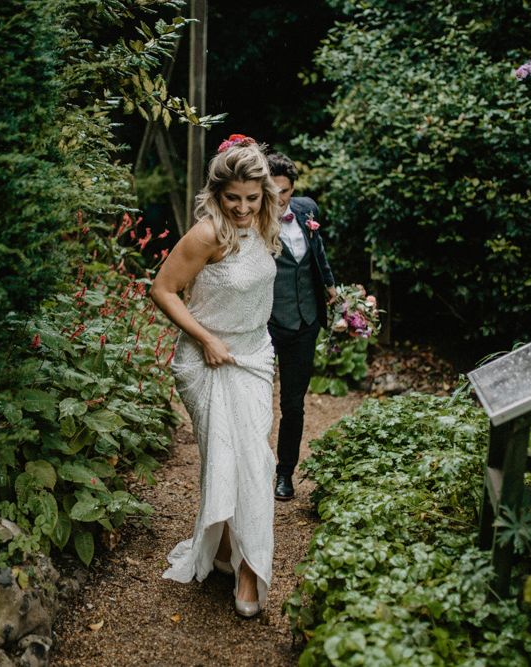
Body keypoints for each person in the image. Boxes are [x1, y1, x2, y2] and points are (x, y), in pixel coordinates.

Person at [150, 134, 281, 618]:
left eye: (252, 198)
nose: (243, 208)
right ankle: (248, 568)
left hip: (254, 356)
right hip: (207, 360)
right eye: (233, 198)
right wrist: (206, 338)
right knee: (232, 459)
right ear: (217, 193)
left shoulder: (266, 225)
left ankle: (233, 553)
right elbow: (163, 290)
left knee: (254, 460)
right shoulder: (207, 235)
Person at [267, 152, 336, 501]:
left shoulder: (308, 210)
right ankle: (250, 468)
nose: (279, 199)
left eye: (285, 192)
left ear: (293, 189)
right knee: (256, 403)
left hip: (306, 322)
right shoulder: (249, 221)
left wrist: (331, 287)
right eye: (272, 191)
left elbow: (318, 249)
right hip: (264, 324)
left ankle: (285, 473)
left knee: (293, 404)